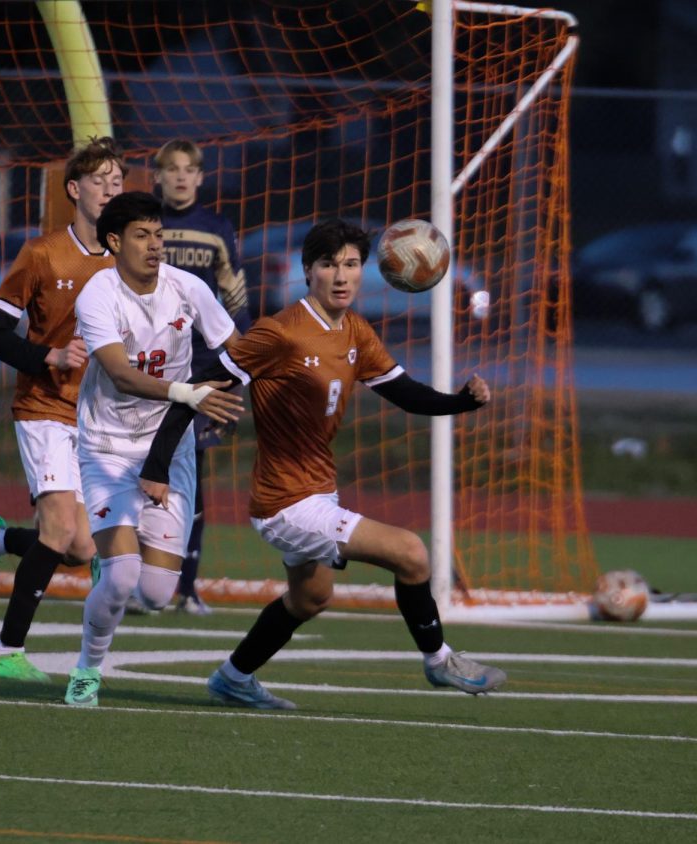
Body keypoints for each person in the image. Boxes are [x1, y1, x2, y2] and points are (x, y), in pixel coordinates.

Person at [139, 219, 506, 710]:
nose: (341, 275)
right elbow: (195, 389)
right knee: (412, 553)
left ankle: (233, 677)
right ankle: (439, 660)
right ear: (308, 270)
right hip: (284, 504)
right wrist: (157, 466)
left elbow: (404, 393)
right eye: (329, 264)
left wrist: (462, 402)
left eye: (351, 264)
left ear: (363, 271)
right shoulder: (281, 333)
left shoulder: (355, 329)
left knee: (310, 599)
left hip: (317, 492)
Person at [64, 190, 244, 707]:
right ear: (115, 241)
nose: (155, 245)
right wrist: (190, 392)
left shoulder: (188, 288)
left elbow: (235, 349)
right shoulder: (98, 295)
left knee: (158, 594)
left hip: (172, 449)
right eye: (142, 235)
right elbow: (120, 375)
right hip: (107, 447)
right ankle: (87, 670)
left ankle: (112, 562)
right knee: (121, 578)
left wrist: (272, 372)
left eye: (159, 234)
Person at [0, 136, 125, 684]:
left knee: (78, 549)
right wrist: (47, 354)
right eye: (99, 180)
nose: (110, 188)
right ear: (75, 190)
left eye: (118, 180)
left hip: (95, 419)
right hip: (44, 408)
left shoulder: (132, 263)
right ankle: (5, 651)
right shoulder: (41, 254)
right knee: (58, 532)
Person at [152, 138, 252, 615]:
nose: (179, 177)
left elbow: (235, 301)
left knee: (191, 477)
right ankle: (141, 578)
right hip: (147, 368)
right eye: (170, 169)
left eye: (188, 169)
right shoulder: (145, 226)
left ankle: (186, 586)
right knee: (139, 473)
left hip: (202, 373)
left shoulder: (216, 230)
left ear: (200, 176)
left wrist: (239, 370)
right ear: (157, 176)